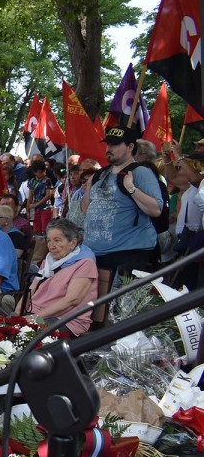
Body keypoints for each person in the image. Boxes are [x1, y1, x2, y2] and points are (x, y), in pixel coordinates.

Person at [81, 125, 163, 320]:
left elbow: (156, 209)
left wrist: (131, 188)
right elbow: (86, 208)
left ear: (129, 146)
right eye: (108, 143)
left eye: (115, 144)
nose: (109, 148)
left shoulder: (141, 172)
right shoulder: (100, 174)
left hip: (127, 255)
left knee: (118, 316)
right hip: (96, 254)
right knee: (96, 316)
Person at [26, 218, 97, 336]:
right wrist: (16, 314)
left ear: (73, 243)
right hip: (38, 313)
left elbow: (71, 301)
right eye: (48, 241)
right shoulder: (49, 260)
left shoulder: (85, 263)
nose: (51, 246)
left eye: (57, 240)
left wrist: (33, 317)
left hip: (66, 320)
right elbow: (31, 288)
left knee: (20, 336)